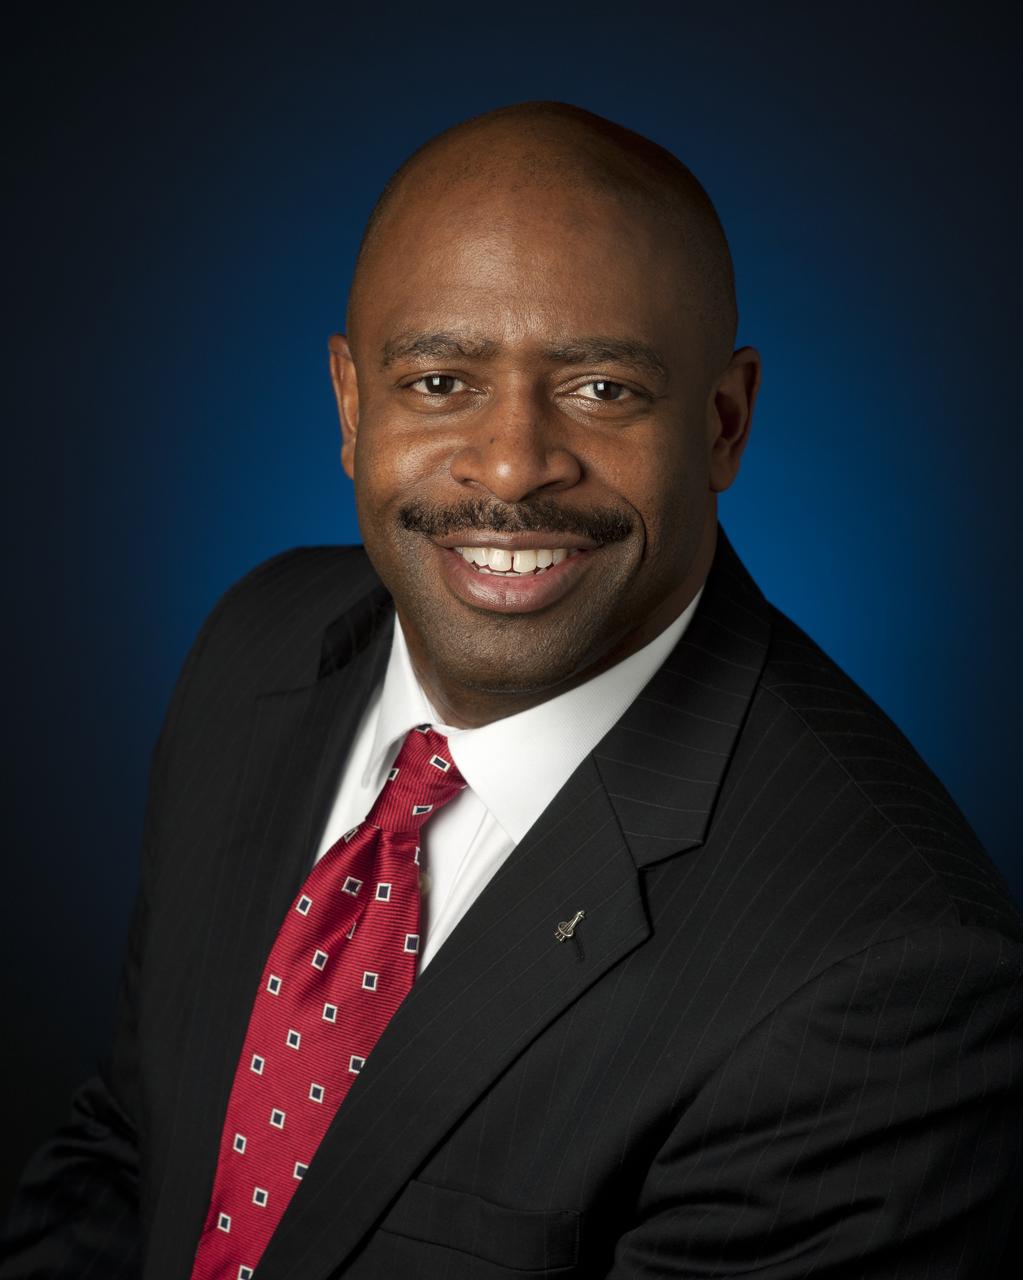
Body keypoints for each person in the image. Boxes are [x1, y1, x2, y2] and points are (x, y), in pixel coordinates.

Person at [2, 100, 1021, 1279]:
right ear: (350, 406)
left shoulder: (884, 974)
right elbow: (134, 1150)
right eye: (440, 380)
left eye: (601, 389)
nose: (511, 464)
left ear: (724, 424)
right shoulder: (258, 647)